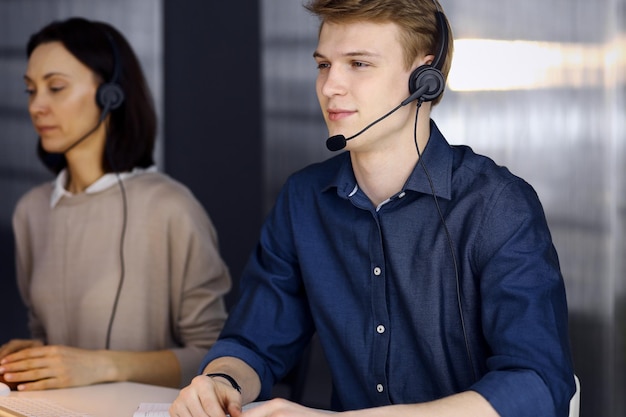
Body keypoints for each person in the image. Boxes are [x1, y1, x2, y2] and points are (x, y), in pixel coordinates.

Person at [170, 0, 576, 416]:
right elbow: (253, 341)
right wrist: (220, 382)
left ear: (425, 78)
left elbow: (538, 382)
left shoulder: (496, 205)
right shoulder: (304, 200)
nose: (330, 87)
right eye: (324, 65)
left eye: (359, 64)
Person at [0, 17, 231, 391]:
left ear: (111, 96)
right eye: (30, 90)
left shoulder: (169, 207)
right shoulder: (31, 210)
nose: (36, 106)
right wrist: (33, 356)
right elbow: (47, 334)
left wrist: (101, 366)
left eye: (55, 87)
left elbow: (216, 360)